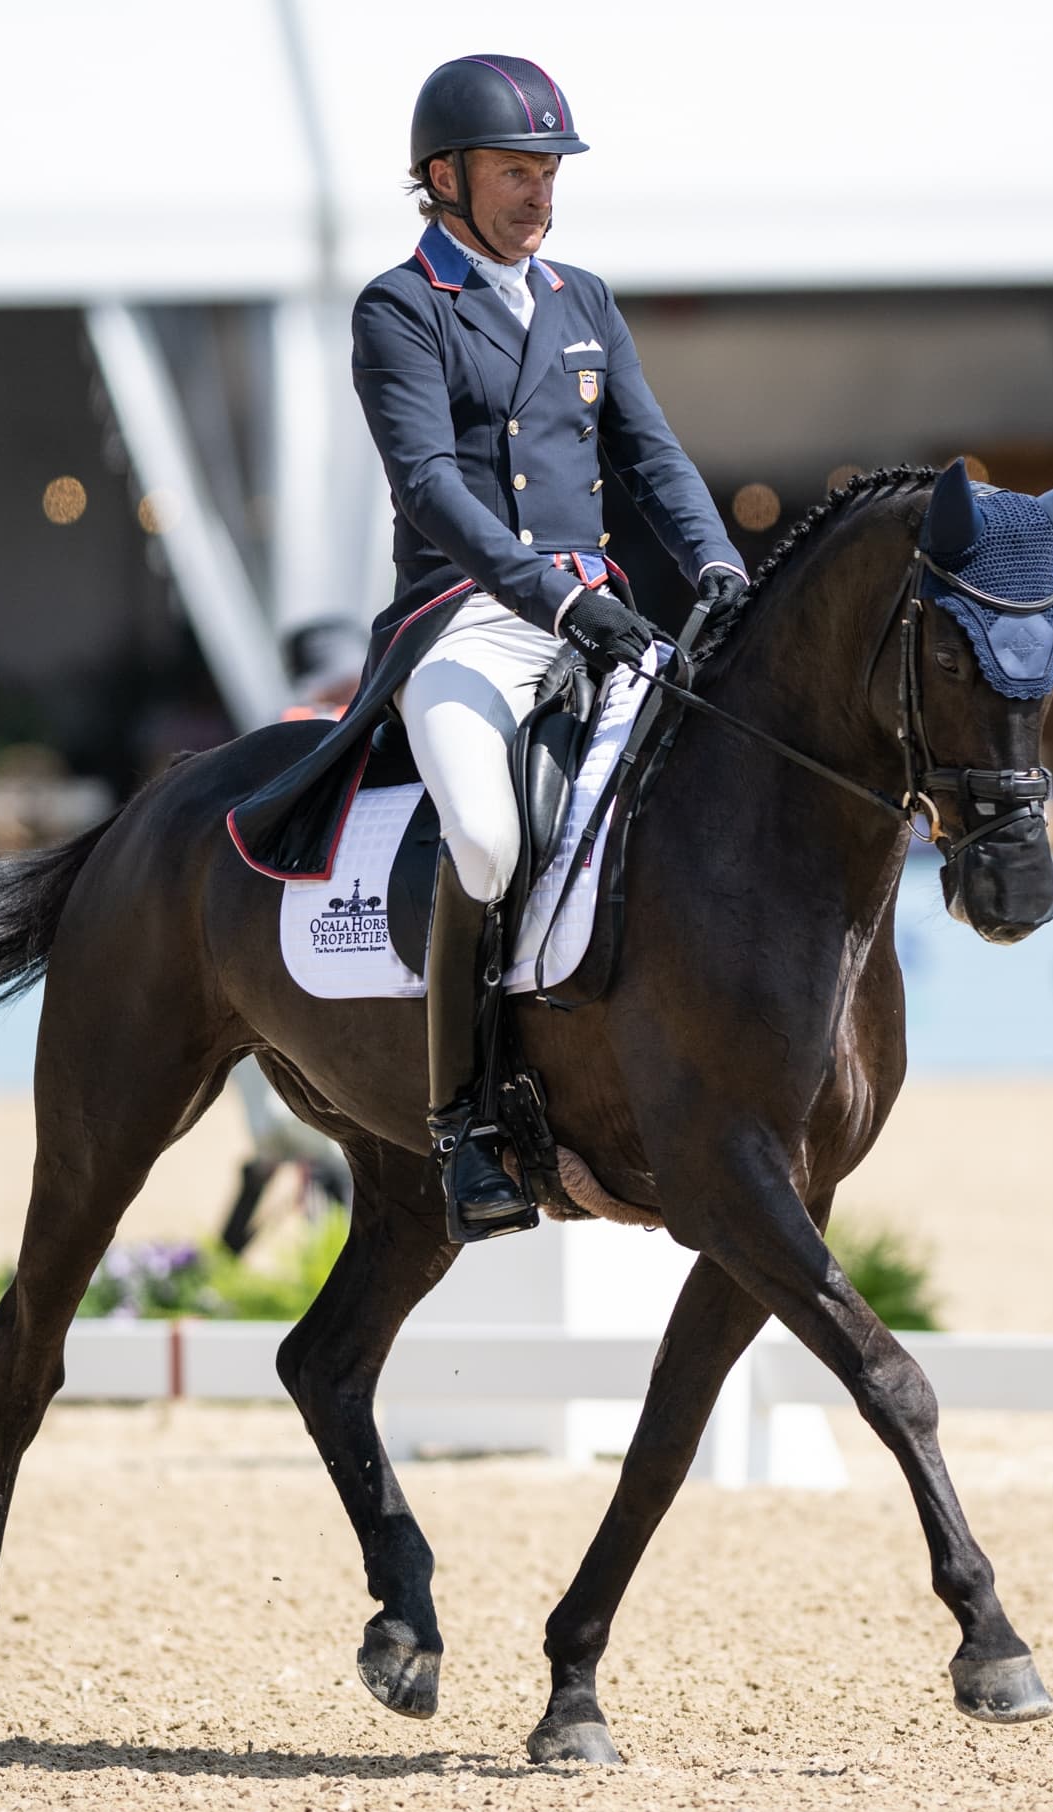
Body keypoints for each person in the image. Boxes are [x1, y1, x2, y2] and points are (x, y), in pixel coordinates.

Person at [227, 56, 749, 1239]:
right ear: (444, 177)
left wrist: (717, 569)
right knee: (485, 829)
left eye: (549, 171)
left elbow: (652, 459)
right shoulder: (400, 306)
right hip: (465, 623)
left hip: (600, 616)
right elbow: (430, 491)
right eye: (517, 171)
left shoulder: (584, 301)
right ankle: (465, 1124)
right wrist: (555, 605)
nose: (539, 194)